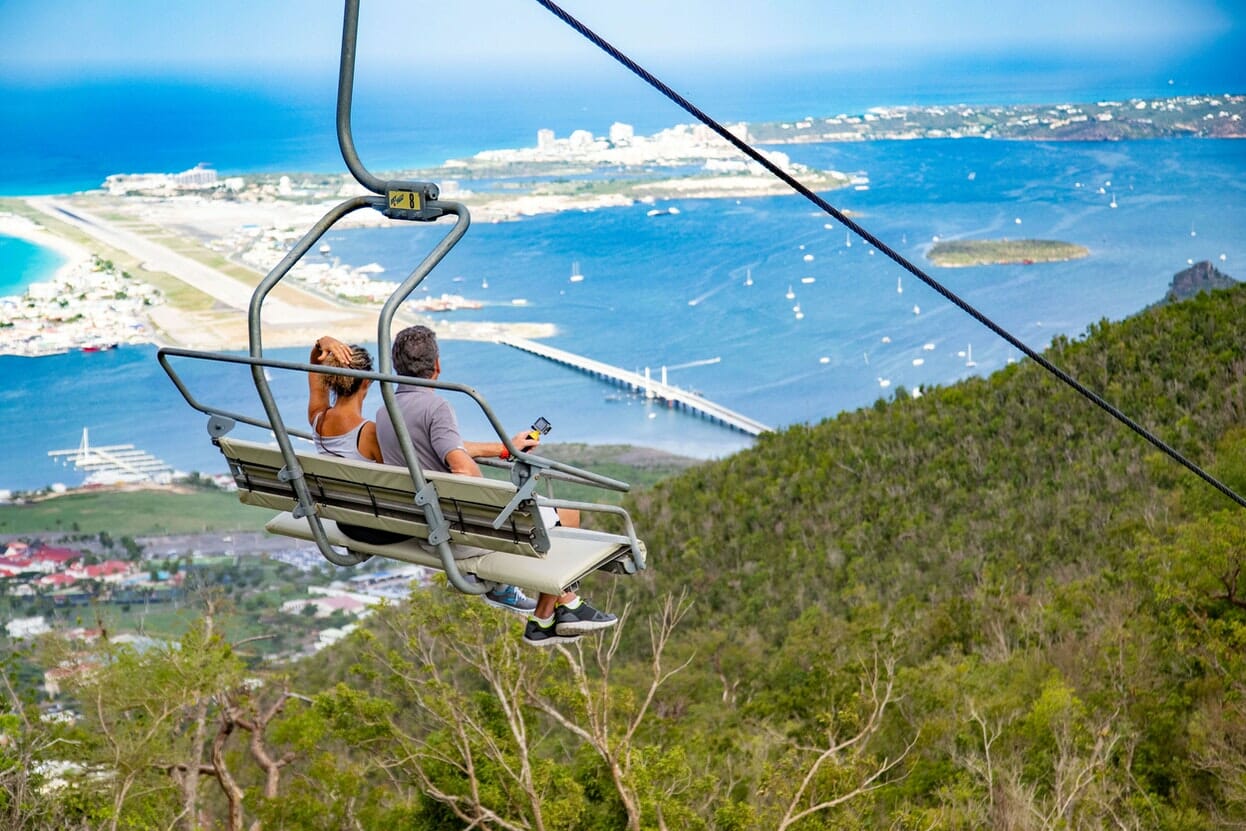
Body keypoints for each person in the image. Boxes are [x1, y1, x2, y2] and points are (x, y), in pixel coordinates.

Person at [374, 324, 617, 647]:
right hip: (462, 532)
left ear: (396, 365)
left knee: (549, 515)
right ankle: (551, 613)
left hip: (423, 527)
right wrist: (483, 491)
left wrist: (504, 448)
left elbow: (441, 446)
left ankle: (556, 611)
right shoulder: (437, 408)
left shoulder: (385, 411)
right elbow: (461, 467)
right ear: (437, 367)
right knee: (568, 514)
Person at [308, 335, 537, 614]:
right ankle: (494, 582)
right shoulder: (370, 432)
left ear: (330, 379)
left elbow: (314, 375)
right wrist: (499, 449)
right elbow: (422, 450)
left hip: (345, 520)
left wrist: (323, 344)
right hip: (380, 529)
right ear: (367, 382)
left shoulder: (318, 418)